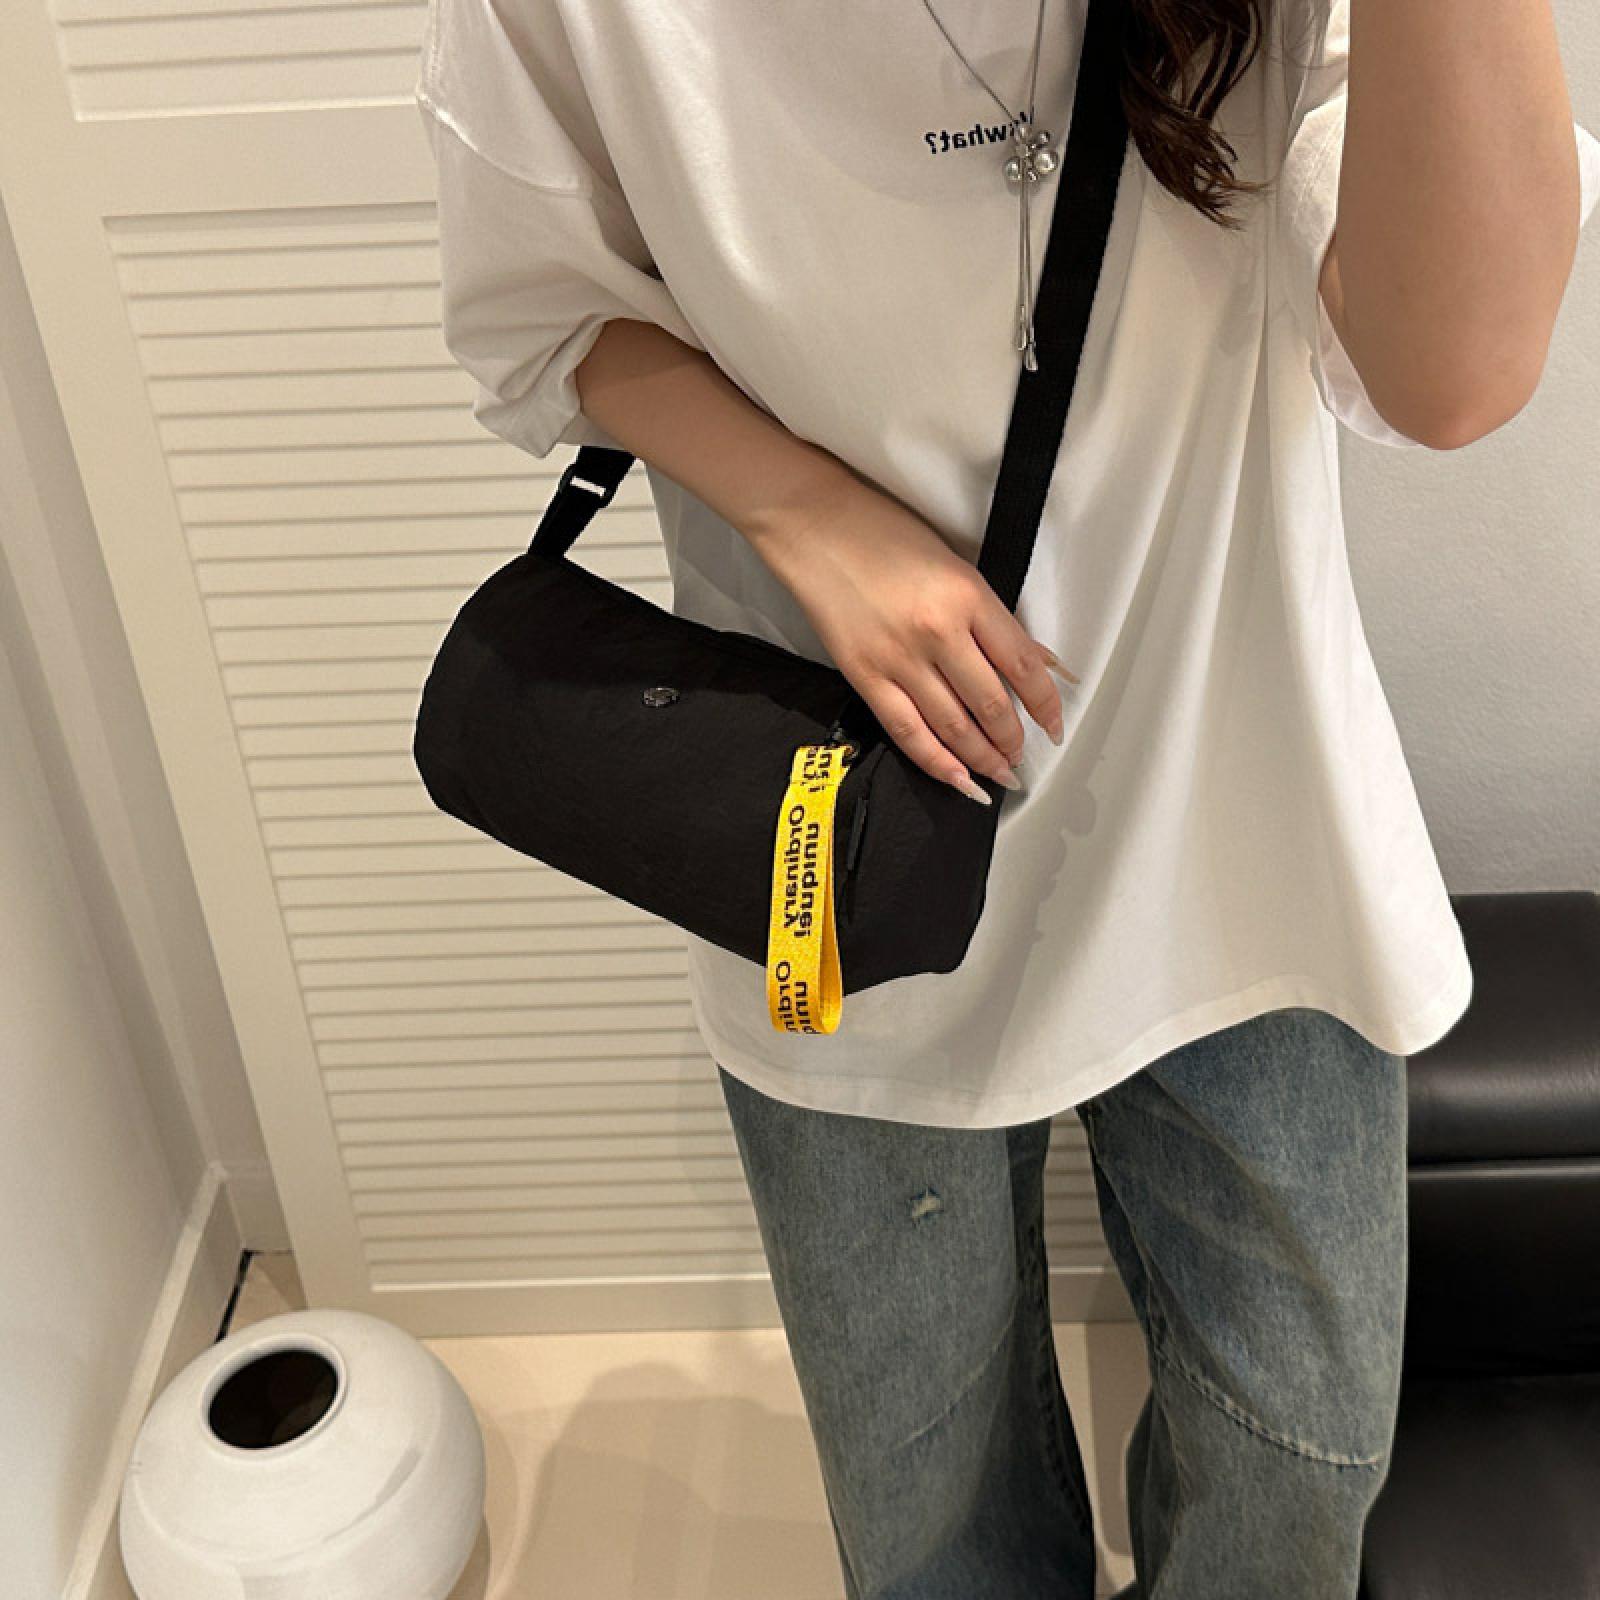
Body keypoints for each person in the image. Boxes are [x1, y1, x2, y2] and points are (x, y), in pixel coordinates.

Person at [414, 0, 1600, 1593]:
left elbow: (1452, 369)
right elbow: (545, 306)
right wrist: (804, 511)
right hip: (841, 840)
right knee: (932, 1532)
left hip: (1237, 817)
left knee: (1299, 1469)